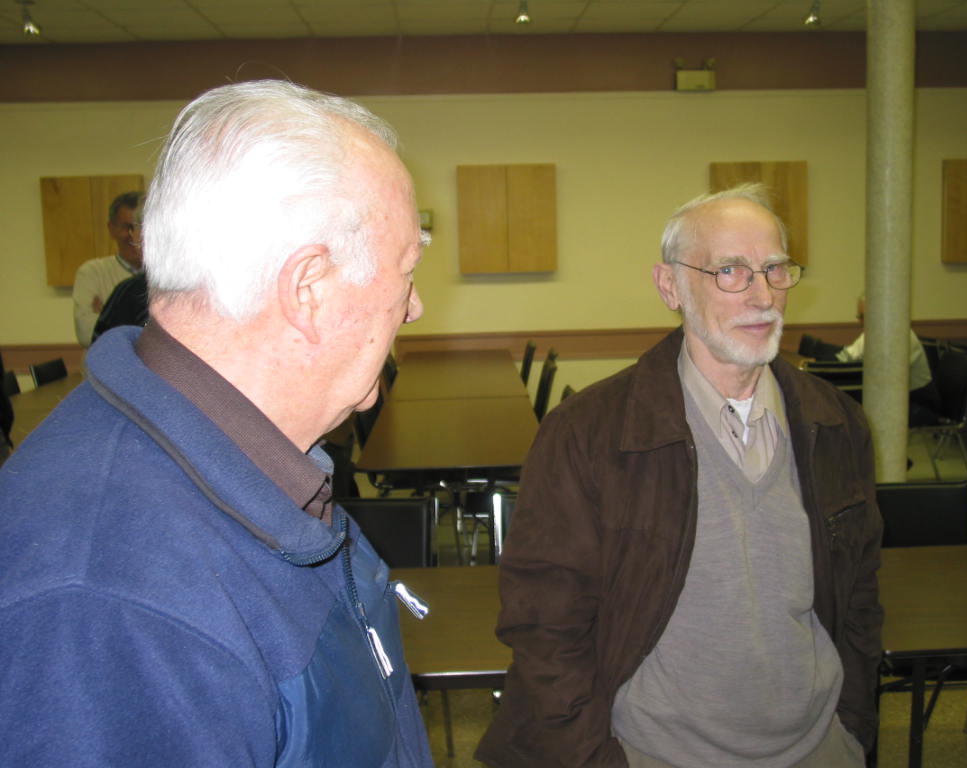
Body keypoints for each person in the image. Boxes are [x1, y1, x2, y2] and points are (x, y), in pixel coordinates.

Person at [1, 80, 433, 767]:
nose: (413, 307)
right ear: (309, 289)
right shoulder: (108, 607)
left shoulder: (247, 466)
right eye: (405, 270)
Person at [477, 183, 883, 768]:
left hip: (819, 746)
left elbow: (860, 591)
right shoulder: (588, 434)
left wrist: (852, 727)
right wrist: (593, 758)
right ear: (670, 286)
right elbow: (543, 622)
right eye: (730, 271)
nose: (762, 295)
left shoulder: (836, 424)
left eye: (774, 269)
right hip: (651, 752)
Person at [807, 295, 941, 426]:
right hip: (895, 401)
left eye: (862, 316)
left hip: (918, 404)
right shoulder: (874, 333)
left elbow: (887, 382)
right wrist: (816, 358)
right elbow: (844, 357)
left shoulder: (900, 335)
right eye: (859, 316)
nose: (859, 321)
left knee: (855, 415)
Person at [71, 190, 144, 346]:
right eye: (127, 227)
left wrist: (109, 316)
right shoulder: (92, 272)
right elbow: (86, 334)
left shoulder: (166, 279)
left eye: (139, 227)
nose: (132, 235)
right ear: (111, 228)